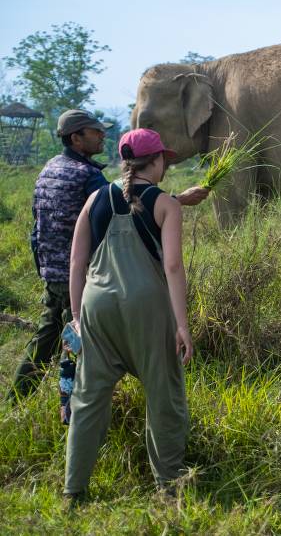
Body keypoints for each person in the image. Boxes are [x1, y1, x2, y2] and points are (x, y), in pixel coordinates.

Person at [7, 110, 207, 402]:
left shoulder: (49, 167)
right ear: (76, 138)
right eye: (94, 131)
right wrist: (177, 201)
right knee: (83, 355)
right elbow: (124, 206)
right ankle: (77, 410)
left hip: (52, 272)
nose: (102, 135)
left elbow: (36, 226)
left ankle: (17, 399)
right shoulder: (88, 177)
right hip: (87, 277)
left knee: (48, 339)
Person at [64, 128, 196, 502]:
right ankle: (168, 488)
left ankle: (73, 491)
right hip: (147, 309)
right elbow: (172, 266)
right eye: (163, 161)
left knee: (88, 400)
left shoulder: (95, 198)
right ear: (155, 162)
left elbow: (77, 261)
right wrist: (182, 325)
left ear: (125, 163)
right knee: (163, 395)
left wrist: (76, 315)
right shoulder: (165, 204)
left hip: (96, 306)